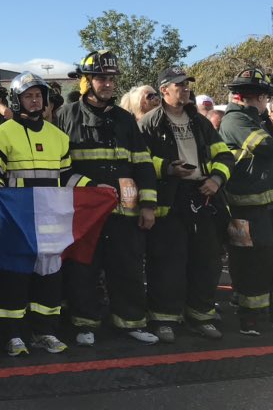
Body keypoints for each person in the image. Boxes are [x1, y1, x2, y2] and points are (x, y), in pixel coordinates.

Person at [55, 50, 159, 346]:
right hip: (84, 213)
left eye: (112, 79)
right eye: (102, 78)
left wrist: (148, 205)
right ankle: (85, 323)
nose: (109, 84)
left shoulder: (125, 119)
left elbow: (142, 164)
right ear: (88, 81)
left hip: (124, 213)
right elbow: (59, 167)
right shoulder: (66, 116)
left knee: (126, 268)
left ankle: (130, 322)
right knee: (83, 268)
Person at [138, 67, 234, 343]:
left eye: (187, 85)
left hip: (202, 194)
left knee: (206, 259)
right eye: (179, 85)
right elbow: (140, 162)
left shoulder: (200, 122)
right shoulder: (149, 122)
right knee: (168, 261)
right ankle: (164, 318)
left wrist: (215, 179)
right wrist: (168, 168)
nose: (186, 89)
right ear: (164, 90)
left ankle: (201, 315)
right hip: (170, 198)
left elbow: (224, 155)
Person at [0, 72, 72, 357]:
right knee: (13, 277)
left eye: (38, 96)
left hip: (50, 221)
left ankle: (45, 331)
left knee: (49, 277)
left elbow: (68, 176)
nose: (34, 101)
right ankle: (13, 335)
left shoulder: (60, 137)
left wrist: (97, 189)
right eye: (28, 96)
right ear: (17, 100)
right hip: (15, 222)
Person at [219, 68, 273, 336]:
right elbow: (266, 148)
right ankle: (250, 317)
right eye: (263, 97)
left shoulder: (255, 120)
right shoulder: (235, 120)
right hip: (248, 207)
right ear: (251, 97)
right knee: (255, 261)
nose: (264, 102)